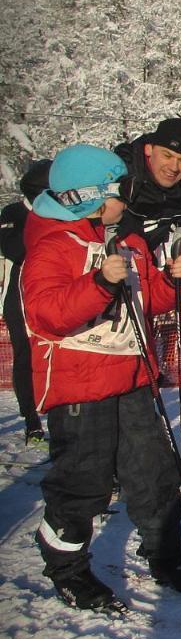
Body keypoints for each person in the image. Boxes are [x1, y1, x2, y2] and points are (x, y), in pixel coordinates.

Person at [22, 144, 181, 613]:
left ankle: (166, 556)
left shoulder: (127, 244)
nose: (126, 199)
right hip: (80, 386)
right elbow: (46, 315)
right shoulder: (52, 247)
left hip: (129, 377)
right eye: (117, 191)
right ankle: (67, 568)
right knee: (83, 482)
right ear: (87, 196)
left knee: (155, 474)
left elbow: (151, 301)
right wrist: (98, 284)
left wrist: (173, 282)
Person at [0, 159, 52, 444]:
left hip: (50, 291)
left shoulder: (58, 214)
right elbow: (14, 248)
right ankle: (31, 420)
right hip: (18, 295)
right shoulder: (14, 212)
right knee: (24, 355)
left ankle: (60, 415)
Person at [112, 117, 181, 254]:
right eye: (167, 156)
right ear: (149, 149)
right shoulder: (119, 175)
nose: (174, 167)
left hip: (148, 264)